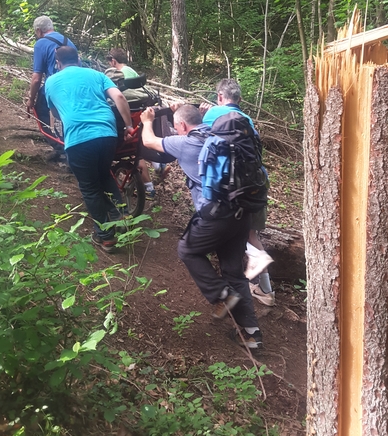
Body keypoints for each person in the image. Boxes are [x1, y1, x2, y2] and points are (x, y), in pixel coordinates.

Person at [140, 104, 263, 350]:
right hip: (242, 213)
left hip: (216, 216)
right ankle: (252, 335)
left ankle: (222, 295)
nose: (176, 130)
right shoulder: (220, 136)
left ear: (182, 126)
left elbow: (150, 141)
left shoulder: (184, 143)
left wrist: (146, 121)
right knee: (233, 272)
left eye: (176, 126)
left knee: (187, 250)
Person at [45, 45, 134, 254]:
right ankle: (121, 214)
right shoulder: (95, 74)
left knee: (89, 187)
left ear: (58, 63)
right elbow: (119, 97)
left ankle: (106, 237)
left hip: (79, 139)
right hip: (107, 133)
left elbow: (55, 113)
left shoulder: (51, 81)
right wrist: (129, 126)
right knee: (104, 174)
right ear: (78, 59)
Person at [200, 78, 275, 307]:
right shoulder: (247, 119)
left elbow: (197, 140)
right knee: (252, 234)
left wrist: (204, 113)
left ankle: (241, 283)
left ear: (220, 96)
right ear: (239, 99)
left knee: (242, 235)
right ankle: (266, 289)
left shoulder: (213, 113)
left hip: (232, 189)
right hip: (257, 182)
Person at [104, 47, 170, 200]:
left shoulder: (120, 78)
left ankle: (150, 187)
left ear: (113, 61)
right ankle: (158, 168)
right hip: (142, 121)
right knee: (139, 147)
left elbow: (121, 99)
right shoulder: (131, 71)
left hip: (128, 125)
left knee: (135, 152)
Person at [26, 15, 77, 150]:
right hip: (76, 82)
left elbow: (37, 78)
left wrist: (31, 99)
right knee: (69, 114)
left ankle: (58, 145)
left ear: (38, 30)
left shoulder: (41, 43)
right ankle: (70, 146)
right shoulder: (67, 41)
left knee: (40, 110)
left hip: (56, 84)